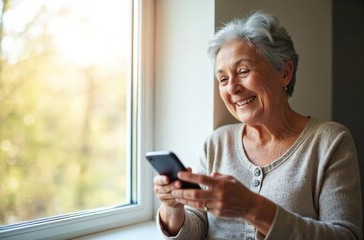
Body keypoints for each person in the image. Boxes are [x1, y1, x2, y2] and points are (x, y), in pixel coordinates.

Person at [153, 11, 362, 239]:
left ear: (285, 72)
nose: (232, 88)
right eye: (223, 79)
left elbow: (346, 236)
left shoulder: (330, 142)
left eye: (243, 71)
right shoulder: (217, 143)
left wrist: (252, 208)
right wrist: (173, 208)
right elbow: (198, 226)